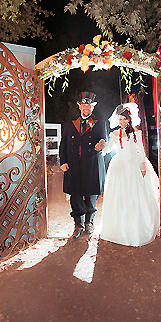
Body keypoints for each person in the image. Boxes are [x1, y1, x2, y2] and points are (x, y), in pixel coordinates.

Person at [98, 103, 161, 246]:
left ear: (129, 119)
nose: (122, 122)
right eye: (120, 119)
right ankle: (119, 229)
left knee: (135, 196)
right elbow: (107, 150)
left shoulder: (136, 133)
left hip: (133, 165)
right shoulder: (114, 134)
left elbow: (141, 150)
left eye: (124, 119)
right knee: (119, 196)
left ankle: (138, 229)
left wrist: (142, 165)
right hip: (119, 165)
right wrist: (102, 145)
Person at [59, 91, 107, 239]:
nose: (87, 108)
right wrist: (63, 161)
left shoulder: (99, 123)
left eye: (90, 106)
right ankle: (78, 225)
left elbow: (104, 140)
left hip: (92, 164)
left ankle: (89, 223)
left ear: (93, 107)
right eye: (84, 105)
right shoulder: (70, 122)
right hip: (73, 164)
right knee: (75, 195)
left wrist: (102, 144)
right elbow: (64, 143)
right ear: (79, 106)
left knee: (91, 195)